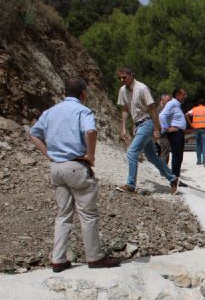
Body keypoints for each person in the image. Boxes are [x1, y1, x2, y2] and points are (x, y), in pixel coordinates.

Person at [30, 76, 120, 271]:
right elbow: (90, 131)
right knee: (88, 214)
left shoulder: (50, 112)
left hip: (57, 168)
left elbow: (34, 134)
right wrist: (90, 155)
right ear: (83, 94)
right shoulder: (82, 110)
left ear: (64, 93)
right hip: (76, 166)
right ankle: (94, 257)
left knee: (63, 215)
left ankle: (58, 259)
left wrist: (49, 155)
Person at [115, 67, 179, 194]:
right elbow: (125, 110)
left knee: (132, 152)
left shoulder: (142, 89)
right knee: (152, 157)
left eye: (124, 77)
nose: (122, 80)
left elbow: (152, 109)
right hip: (139, 124)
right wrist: (123, 128)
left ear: (131, 75)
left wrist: (156, 128)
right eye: (120, 78)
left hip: (147, 123)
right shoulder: (122, 90)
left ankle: (131, 185)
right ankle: (172, 178)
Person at [160, 88, 188, 187]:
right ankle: (174, 180)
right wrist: (166, 129)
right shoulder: (172, 103)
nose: (185, 96)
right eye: (184, 94)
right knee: (177, 157)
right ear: (177, 95)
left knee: (179, 157)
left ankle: (176, 179)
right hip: (175, 133)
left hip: (178, 132)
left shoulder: (177, 105)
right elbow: (162, 116)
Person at [186, 99, 205, 167]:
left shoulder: (194, 109)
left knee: (198, 145)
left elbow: (186, 115)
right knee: (204, 145)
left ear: (198, 103)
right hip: (204, 129)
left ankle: (199, 161)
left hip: (196, 129)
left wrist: (191, 124)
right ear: (204, 103)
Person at [155, 93, 172, 165]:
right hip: (162, 132)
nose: (169, 102)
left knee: (163, 150)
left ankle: (162, 167)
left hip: (163, 132)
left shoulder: (164, 109)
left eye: (170, 100)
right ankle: (163, 169)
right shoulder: (160, 110)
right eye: (168, 100)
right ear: (162, 100)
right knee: (165, 150)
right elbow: (155, 121)